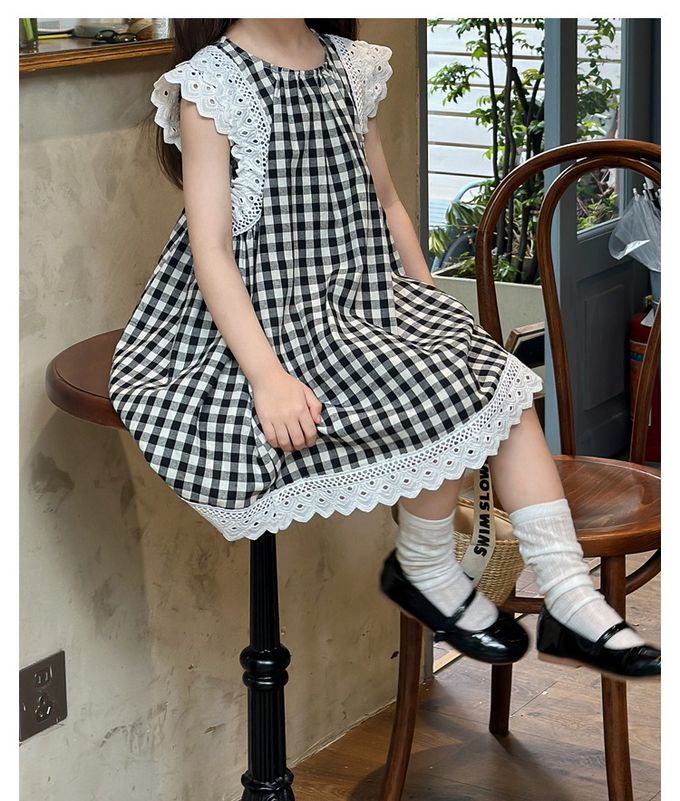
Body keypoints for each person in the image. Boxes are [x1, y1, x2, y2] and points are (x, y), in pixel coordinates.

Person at [108, 18, 660, 679]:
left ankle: (566, 596)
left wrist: (430, 305)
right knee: (442, 389)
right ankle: (425, 564)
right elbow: (212, 250)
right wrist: (267, 378)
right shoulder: (213, 83)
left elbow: (389, 204)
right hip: (274, 318)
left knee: (500, 385)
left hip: (362, 298)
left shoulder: (352, 67)